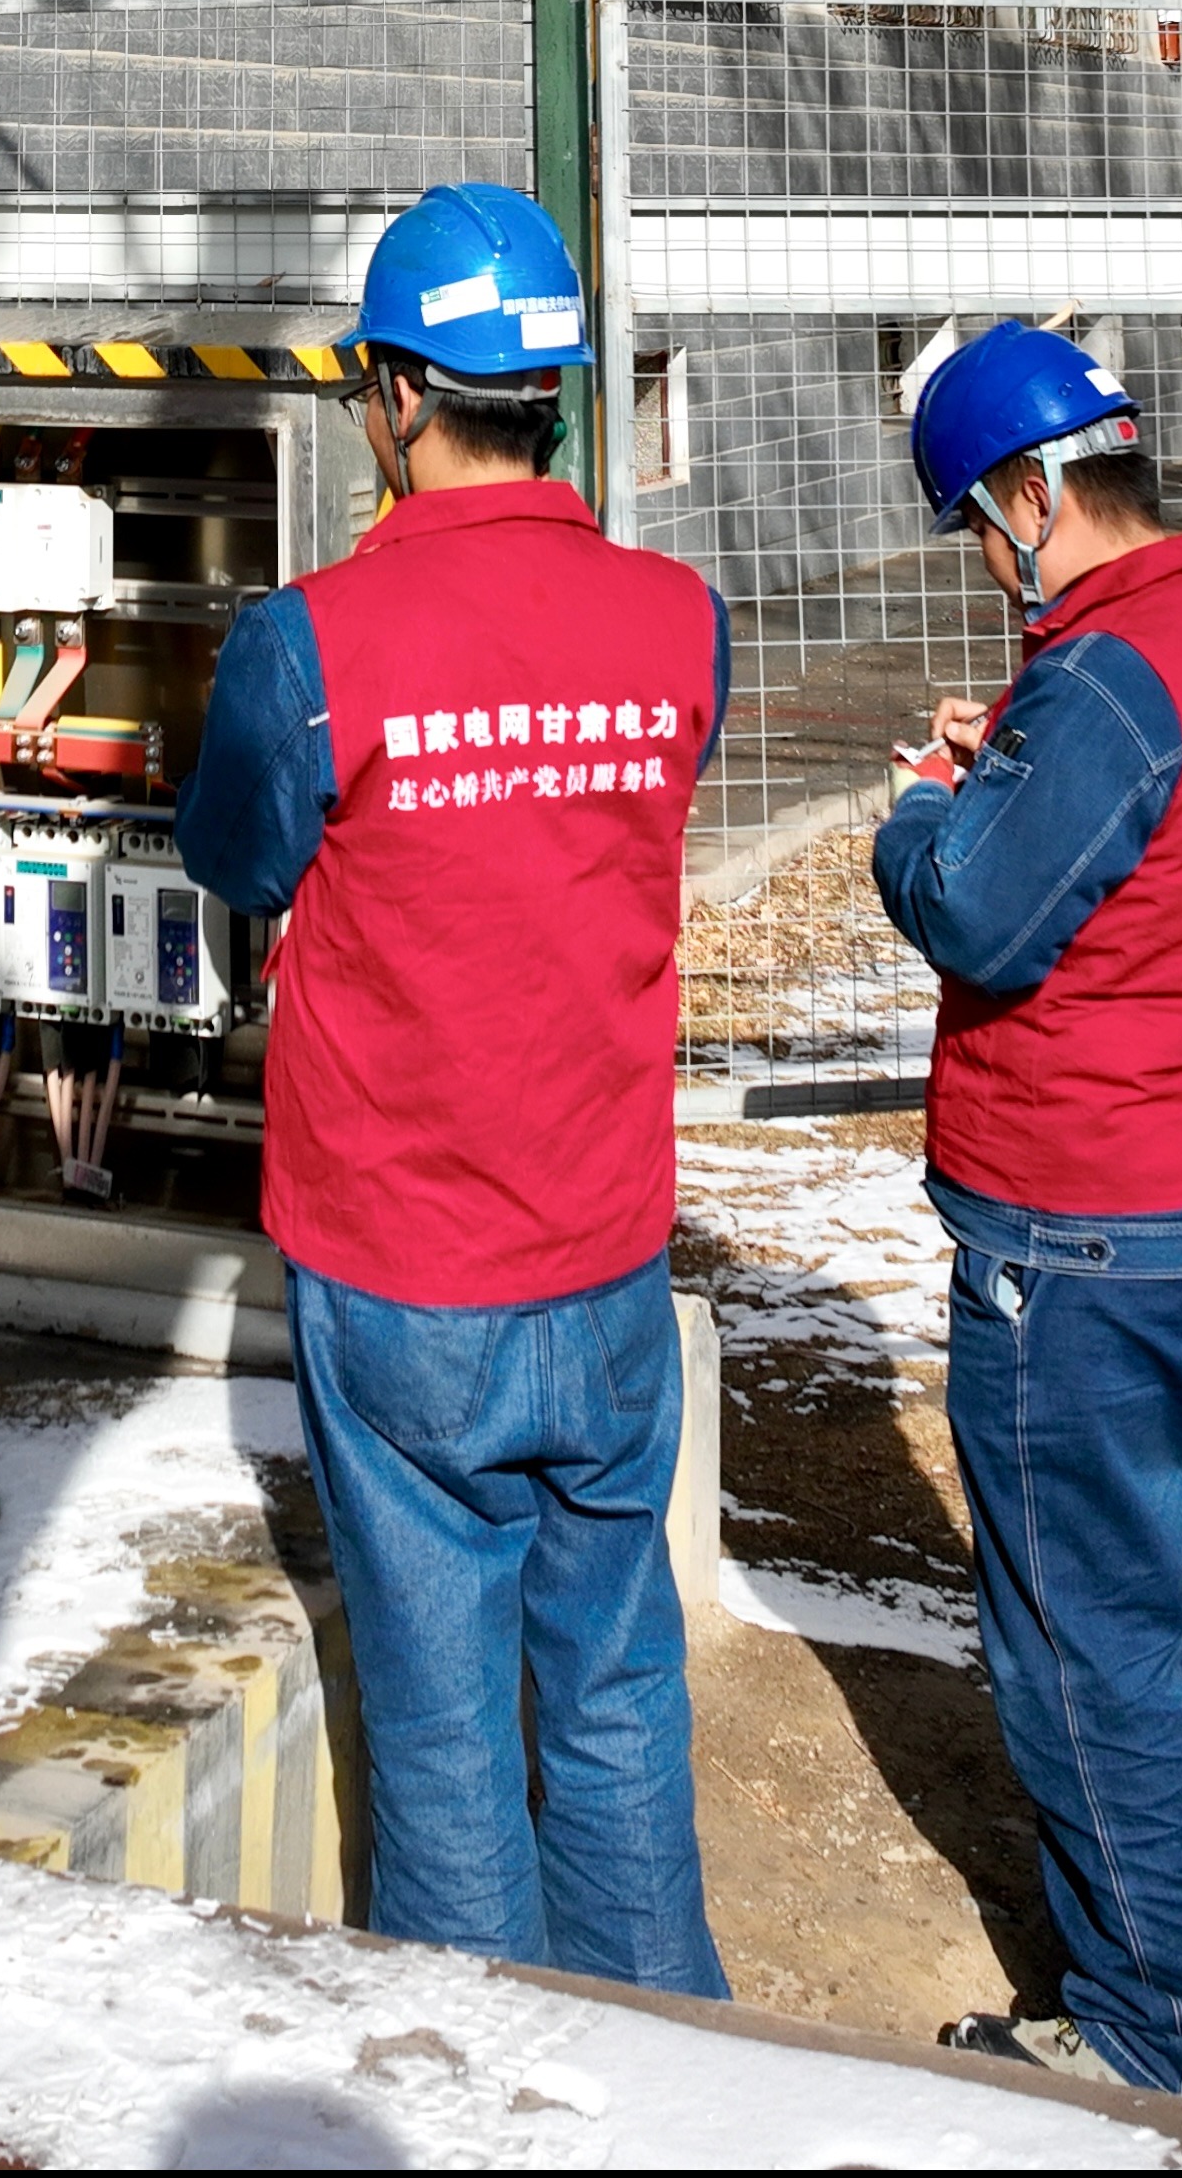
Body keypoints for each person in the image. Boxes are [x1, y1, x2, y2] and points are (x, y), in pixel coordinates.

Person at [175, 184, 732, 1995]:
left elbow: (238, 856)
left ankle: (485, 2080)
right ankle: (669, 2052)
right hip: (607, 1249)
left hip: (403, 1258)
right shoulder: (680, 619)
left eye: (366, 386)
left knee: (439, 1718)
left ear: (404, 394)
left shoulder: (310, 640)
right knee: (617, 1681)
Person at [870, 325, 1182, 2102]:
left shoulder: (1105, 685)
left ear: (1030, 491)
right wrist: (1017, 762)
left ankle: (1156, 2029)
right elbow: (1136, 844)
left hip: (1073, 1231)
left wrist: (926, 808)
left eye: (979, 530)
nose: (987, 567)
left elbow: (977, 913)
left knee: (1085, 1643)